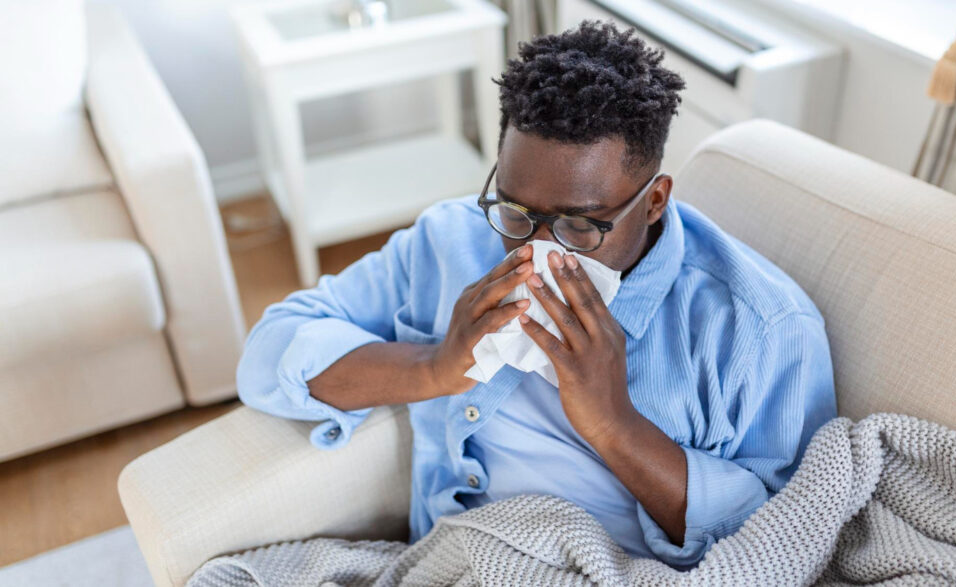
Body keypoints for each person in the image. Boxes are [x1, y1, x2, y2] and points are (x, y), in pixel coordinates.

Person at [236, 19, 837, 570]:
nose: (538, 250)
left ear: (654, 200)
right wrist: (433, 369)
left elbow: (784, 541)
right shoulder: (450, 241)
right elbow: (269, 352)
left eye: (580, 224)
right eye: (516, 211)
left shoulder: (761, 327)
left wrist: (615, 424)